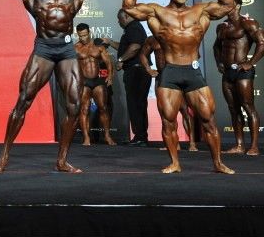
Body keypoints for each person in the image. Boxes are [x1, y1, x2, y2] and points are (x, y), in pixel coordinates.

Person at [0, 0, 115, 173]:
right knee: (24, 99)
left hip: (66, 49)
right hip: (44, 49)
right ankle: (4, 156)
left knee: (74, 105)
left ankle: (62, 160)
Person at [122, 0, 235, 174]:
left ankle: (218, 163)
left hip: (192, 71)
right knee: (169, 121)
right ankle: (174, 163)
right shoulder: (157, 11)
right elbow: (128, 7)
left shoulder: (200, 10)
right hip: (170, 71)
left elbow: (228, 6)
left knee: (208, 119)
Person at [214, 0, 264, 156]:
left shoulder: (248, 23)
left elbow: (263, 43)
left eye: (226, 3)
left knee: (248, 107)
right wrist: (219, 63)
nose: (222, 6)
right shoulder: (221, 27)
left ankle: (254, 146)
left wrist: (250, 63)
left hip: (242, 72)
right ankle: (239, 145)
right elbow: (216, 47)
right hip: (227, 73)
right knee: (233, 109)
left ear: (237, 5)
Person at [141, 36, 199, 151]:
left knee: (184, 110)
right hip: (162, 76)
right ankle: (174, 143)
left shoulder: (178, 35)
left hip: (178, 74)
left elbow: (194, 54)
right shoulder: (152, 39)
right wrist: (148, 69)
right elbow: (142, 54)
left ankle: (192, 143)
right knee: (165, 113)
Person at [116, 8, 153, 146]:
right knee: (138, 104)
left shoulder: (133, 27)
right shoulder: (133, 28)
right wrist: (110, 42)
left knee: (136, 104)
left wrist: (121, 60)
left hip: (136, 71)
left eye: (119, 19)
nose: (118, 22)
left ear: (126, 17)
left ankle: (140, 137)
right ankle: (140, 137)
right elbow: (127, 47)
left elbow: (135, 47)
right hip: (138, 70)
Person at [75, 23, 116, 146]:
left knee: (103, 108)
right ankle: (86, 138)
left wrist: (110, 76)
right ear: (78, 35)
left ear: (89, 32)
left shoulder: (98, 47)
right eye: (81, 36)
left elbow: (108, 62)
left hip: (98, 80)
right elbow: (70, 66)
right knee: (84, 109)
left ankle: (107, 136)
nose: (83, 38)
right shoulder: (75, 48)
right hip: (84, 81)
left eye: (85, 35)